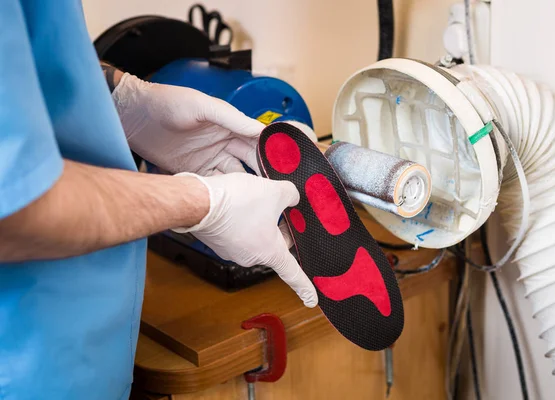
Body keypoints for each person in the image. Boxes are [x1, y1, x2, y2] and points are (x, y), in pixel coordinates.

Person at [0, 1, 317, 399]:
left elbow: (34, 55)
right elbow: (13, 209)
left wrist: (122, 96)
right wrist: (200, 203)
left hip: (89, 353)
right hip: (27, 370)